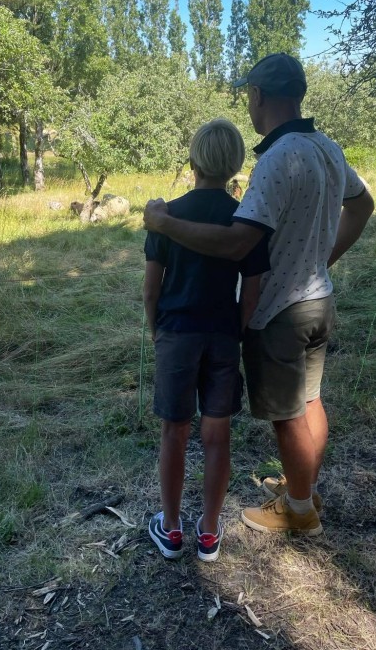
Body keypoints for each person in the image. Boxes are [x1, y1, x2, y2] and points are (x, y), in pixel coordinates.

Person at [144, 53, 374, 536]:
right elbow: (363, 204)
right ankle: (302, 490)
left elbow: (237, 243)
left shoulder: (277, 159)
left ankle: (297, 511)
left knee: (288, 414)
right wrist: (324, 258)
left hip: (283, 309)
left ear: (259, 96)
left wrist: (164, 223)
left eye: (249, 96)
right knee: (310, 402)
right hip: (319, 299)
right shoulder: (326, 147)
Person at [144, 118, 270, 561]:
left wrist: (156, 328)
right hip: (221, 335)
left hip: (176, 333)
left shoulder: (165, 215)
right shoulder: (245, 220)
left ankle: (172, 528)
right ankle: (211, 532)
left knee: (173, 432)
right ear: (236, 164)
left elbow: (151, 287)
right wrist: (235, 329)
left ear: (193, 159)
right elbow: (251, 290)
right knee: (218, 436)